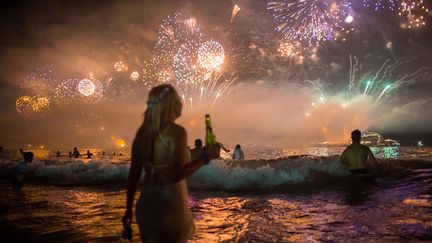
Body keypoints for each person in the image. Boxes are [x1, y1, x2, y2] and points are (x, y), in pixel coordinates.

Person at [123, 84, 220, 242]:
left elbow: (133, 174)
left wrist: (128, 209)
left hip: (145, 206)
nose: (181, 102)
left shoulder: (142, 134)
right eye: (178, 98)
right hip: (169, 205)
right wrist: (206, 157)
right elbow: (177, 174)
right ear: (172, 104)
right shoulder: (176, 131)